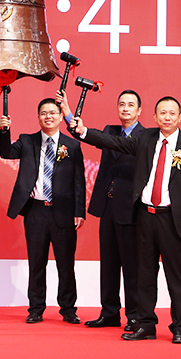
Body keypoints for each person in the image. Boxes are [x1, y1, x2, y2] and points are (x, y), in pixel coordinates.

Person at [71, 96, 181, 344]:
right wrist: (84, 132)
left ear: (180, 118)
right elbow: (114, 142)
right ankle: (146, 325)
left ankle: (178, 327)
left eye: (172, 113)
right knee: (144, 275)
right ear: (155, 117)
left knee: (175, 277)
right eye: (162, 113)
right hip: (145, 217)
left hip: (172, 220)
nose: (167, 117)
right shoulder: (145, 138)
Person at [57, 89, 144, 331]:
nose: (125, 108)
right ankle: (110, 313)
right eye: (121, 104)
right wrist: (67, 113)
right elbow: (86, 134)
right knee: (108, 264)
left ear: (139, 111)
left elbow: (98, 138)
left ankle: (135, 316)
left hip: (131, 211)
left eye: (130, 105)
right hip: (108, 207)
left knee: (132, 267)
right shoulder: (110, 130)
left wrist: (84, 130)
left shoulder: (146, 136)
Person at [0, 98, 86, 324]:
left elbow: (79, 181)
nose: (48, 116)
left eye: (53, 112)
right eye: (44, 113)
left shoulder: (72, 145)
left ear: (60, 116)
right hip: (35, 212)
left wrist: (79, 211)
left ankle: (68, 309)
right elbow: (6, 152)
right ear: (38, 117)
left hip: (63, 212)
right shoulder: (27, 141)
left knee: (66, 264)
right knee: (36, 263)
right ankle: (36, 309)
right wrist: (4, 131)